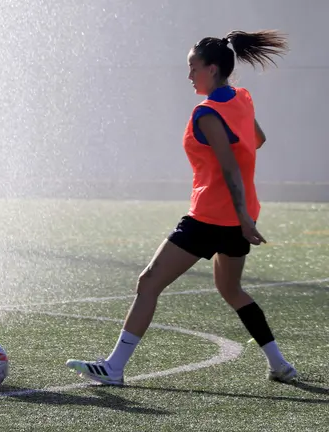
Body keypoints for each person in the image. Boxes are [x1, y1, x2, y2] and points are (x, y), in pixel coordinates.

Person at [66, 30, 296, 386]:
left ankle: (114, 367)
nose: (188, 75)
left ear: (212, 69)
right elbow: (258, 140)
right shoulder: (241, 98)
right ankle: (279, 364)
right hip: (241, 215)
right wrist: (245, 216)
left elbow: (229, 169)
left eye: (193, 68)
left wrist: (240, 215)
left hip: (211, 217)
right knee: (231, 290)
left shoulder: (207, 114)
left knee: (148, 282)